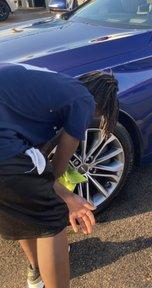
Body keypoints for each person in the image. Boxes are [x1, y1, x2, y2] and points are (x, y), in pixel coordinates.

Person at [0, 63, 119, 288]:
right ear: (100, 104)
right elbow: (56, 168)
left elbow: (34, 163)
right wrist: (66, 197)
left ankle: (36, 272)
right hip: (4, 153)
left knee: (23, 211)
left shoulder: (49, 83)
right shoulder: (83, 99)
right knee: (51, 219)